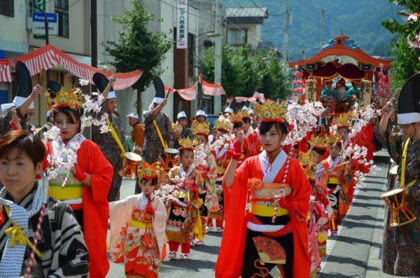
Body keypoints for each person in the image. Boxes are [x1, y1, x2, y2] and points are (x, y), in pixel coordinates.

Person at [216, 100, 311, 278]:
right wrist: (235, 157)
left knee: (279, 274)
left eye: (273, 134)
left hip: (282, 228)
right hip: (256, 228)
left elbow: (304, 196)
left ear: (283, 137)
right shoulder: (251, 163)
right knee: (254, 273)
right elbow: (229, 184)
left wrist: (289, 203)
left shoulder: (293, 166)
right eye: (264, 134)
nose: (267, 139)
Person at [43, 85, 113, 277]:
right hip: (51, 213)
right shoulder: (46, 147)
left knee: (79, 256)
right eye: (58, 122)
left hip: (80, 214)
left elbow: (105, 176)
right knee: (53, 256)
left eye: (69, 122)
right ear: (52, 123)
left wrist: (81, 175)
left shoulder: (89, 147)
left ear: (78, 124)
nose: (64, 127)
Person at [0, 130, 89, 277]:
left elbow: (79, 262)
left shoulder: (58, 213)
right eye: (4, 162)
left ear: (38, 167)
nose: (10, 171)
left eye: (20, 163)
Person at [376, 74, 420, 276]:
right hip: (402, 209)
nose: (400, 130)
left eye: (404, 126)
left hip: (416, 211)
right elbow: (389, 142)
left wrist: (406, 191)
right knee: (402, 262)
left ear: (417, 124)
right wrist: (385, 117)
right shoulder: (408, 141)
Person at [110, 162, 167, 278]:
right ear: (139, 184)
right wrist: (103, 208)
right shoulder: (133, 199)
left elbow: (163, 217)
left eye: (150, 184)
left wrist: (154, 213)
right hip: (133, 237)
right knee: (132, 266)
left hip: (150, 238)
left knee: (148, 266)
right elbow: (117, 206)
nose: (147, 187)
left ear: (155, 186)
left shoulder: (157, 202)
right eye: (144, 183)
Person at [166, 137, 203, 260]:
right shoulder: (174, 171)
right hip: (176, 202)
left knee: (187, 228)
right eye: (186, 157)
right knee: (173, 227)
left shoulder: (196, 173)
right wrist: (175, 186)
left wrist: (193, 188)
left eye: (191, 157)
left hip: (189, 204)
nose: (189, 160)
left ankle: (185, 251)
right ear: (180, 157)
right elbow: (167, 184)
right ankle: (172, 250)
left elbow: (201, 187)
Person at [92, 72, 126, 201]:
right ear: (105, 102)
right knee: (104, 189)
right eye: (112, 102)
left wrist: (126, 156)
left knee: (116, 188)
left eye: (116, 102)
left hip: (118, 160)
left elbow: (122, 138)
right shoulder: (98, 116)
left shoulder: (116, 118)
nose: (115, 105)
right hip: (103, 159)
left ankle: (113, 215)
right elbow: (99, 103)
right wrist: (110, 84)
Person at [143, 77, 173, 164]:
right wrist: (160, 106)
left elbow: (169, 136)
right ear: (153, 104)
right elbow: (150, 116)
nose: (159, 107)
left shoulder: (165, 118)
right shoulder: (147, 114)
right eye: (156, 105)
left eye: (160, 105)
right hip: (148, 150)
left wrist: (170, 151)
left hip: (161, 151)